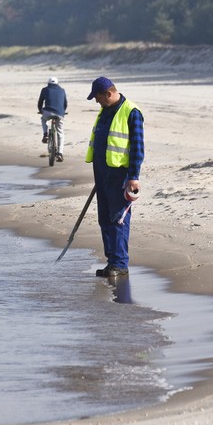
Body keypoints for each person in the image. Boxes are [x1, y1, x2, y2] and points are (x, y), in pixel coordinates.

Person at [85, 76, 144, 277]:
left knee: (118, 218)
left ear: (109, 93)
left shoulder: (131, 112)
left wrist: (134, 176)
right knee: (104, 218)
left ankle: (120, 264)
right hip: (102, 172)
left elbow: (137, 147)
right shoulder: (105, 111)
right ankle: (112, 262)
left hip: (120, 174)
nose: (96, 101)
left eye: (98, 97)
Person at [37, 76, 68, 161]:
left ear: (48, 83)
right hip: (60, 113)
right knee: (60, 132)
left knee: (43, 119)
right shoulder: (62, 90)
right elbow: (65, 104)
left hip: (47, 112)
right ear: (57, 83)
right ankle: (60, 153)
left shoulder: (45, 90)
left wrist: (40, 110)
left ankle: (45, 134)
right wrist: (63, 112)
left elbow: (40, 102)